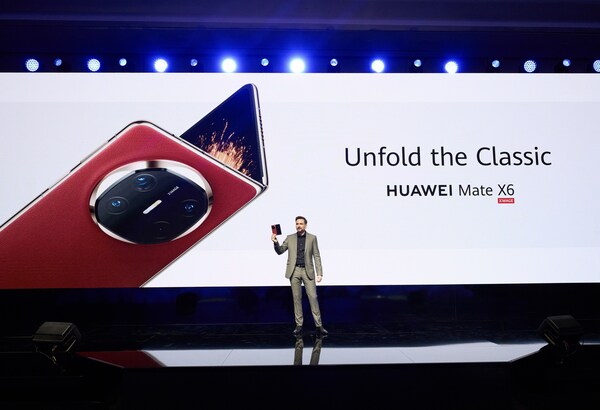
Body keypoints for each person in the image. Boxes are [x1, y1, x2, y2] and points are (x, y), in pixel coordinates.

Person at [272, 216, 328, 337]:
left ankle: (319, 326)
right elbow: (280, 251)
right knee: (296, 298)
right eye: (297, 223)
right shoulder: (290, 238)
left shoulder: (312, 238)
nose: (298, 225)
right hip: (294, 271)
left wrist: (319, 273)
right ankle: (299, 325)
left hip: (308, 271)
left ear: (305, 225)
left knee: (313, 297)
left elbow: (316, 256)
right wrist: (275, 242)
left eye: (301, 224)